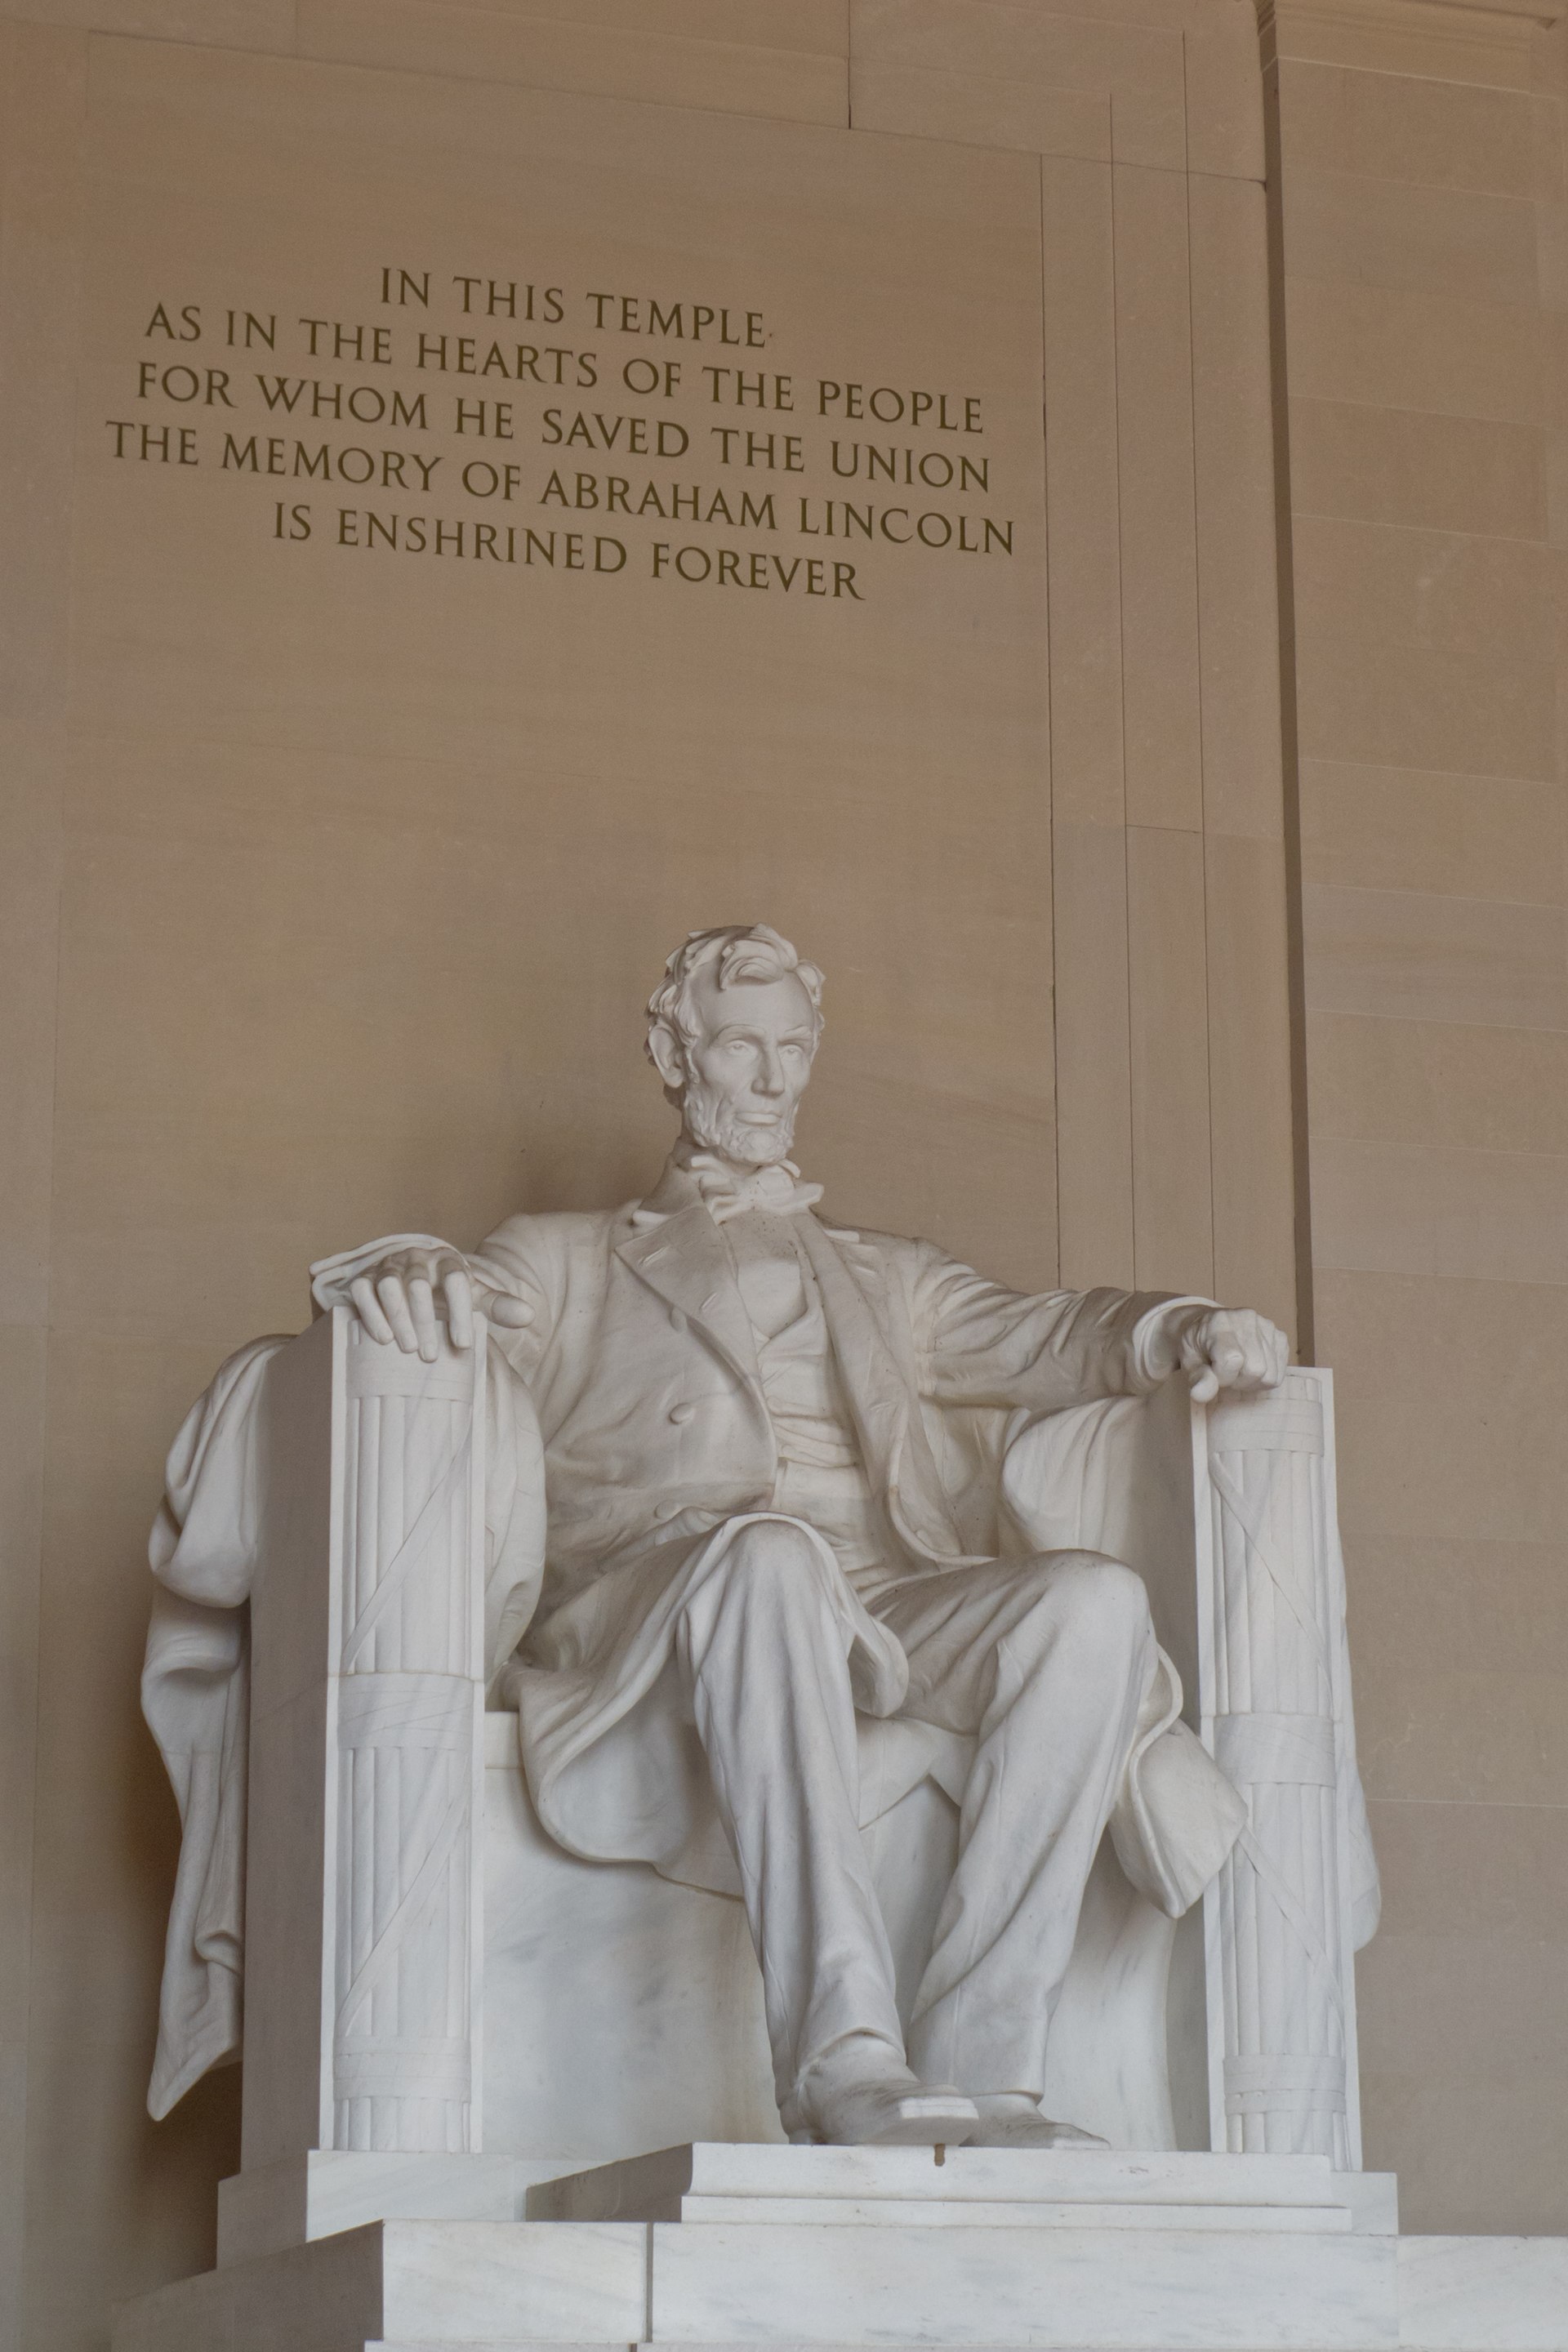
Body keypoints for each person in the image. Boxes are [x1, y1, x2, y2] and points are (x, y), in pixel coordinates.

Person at [327, 925, 1284, 2149]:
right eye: (742, 1049)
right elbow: (452, 1291)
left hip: (879, 1598)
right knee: (769, 1555)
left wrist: (1183, 1330)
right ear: (676, 1054)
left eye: (795, 1049)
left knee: (1089, 1604)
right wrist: (412, 1272)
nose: (776, 1082)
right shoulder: (567, 1257)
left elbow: (1055, 1337)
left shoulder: (893, 1276)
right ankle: (843, 2064)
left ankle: (991, 2070)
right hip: (658, 1598)